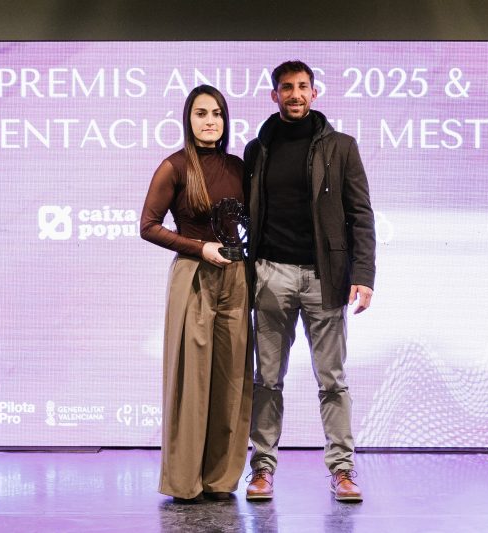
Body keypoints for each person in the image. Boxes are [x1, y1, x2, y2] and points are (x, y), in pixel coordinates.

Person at [243, 61, 376, 502]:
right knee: (267, 380)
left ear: (315, 93)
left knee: (332, 380)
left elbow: (361, 216)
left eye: (303, 87)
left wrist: (363, 275)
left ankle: (343, 470)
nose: (295, 94)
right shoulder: (257, 149)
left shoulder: (341, 147)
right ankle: (262, 470)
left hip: (325, 277)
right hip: (271, 275)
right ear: (274, 95)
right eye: (287, 87)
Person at [140, 85, 253, 502]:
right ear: (188, 119)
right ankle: (184, 481)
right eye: (201, 113)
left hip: (236, 278)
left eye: (217, 113)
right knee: (191, 380)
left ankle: (220, 479)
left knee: (232, 378)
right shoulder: (174, 167)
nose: (210, 121)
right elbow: (148, 226)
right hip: (194, 276)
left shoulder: (238, 168)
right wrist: (199, 248)